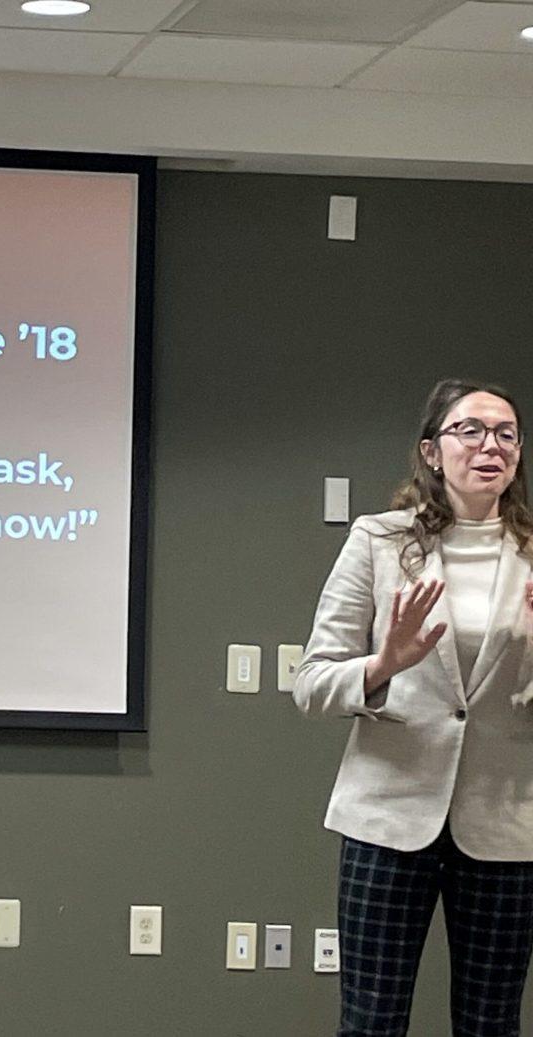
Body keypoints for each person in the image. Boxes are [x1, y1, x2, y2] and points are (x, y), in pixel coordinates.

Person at [294, 378, 533, 1037]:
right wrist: (384, 664)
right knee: (371, 1022)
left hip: (507, 824)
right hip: (388, 817)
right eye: (472, 430)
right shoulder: (379, 541)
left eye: (507, 433)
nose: (492, 445)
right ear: (432, 451)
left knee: (492, 1024)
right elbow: (311, 682)